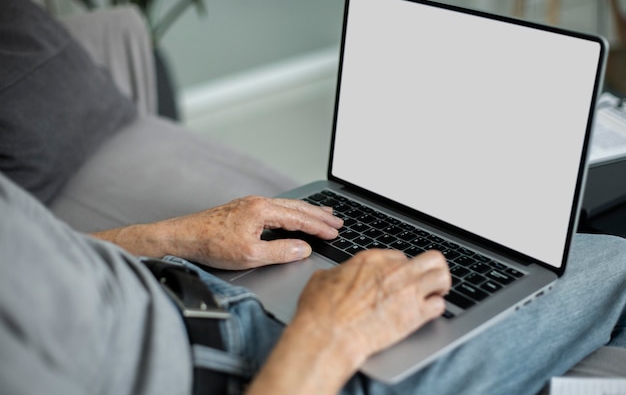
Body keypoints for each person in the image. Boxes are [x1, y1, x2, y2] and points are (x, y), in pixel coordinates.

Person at [1, 168, 626, 395]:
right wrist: (328, 335)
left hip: (183, 284)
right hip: (275, 371)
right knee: (613, 259)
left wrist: (170, 237)